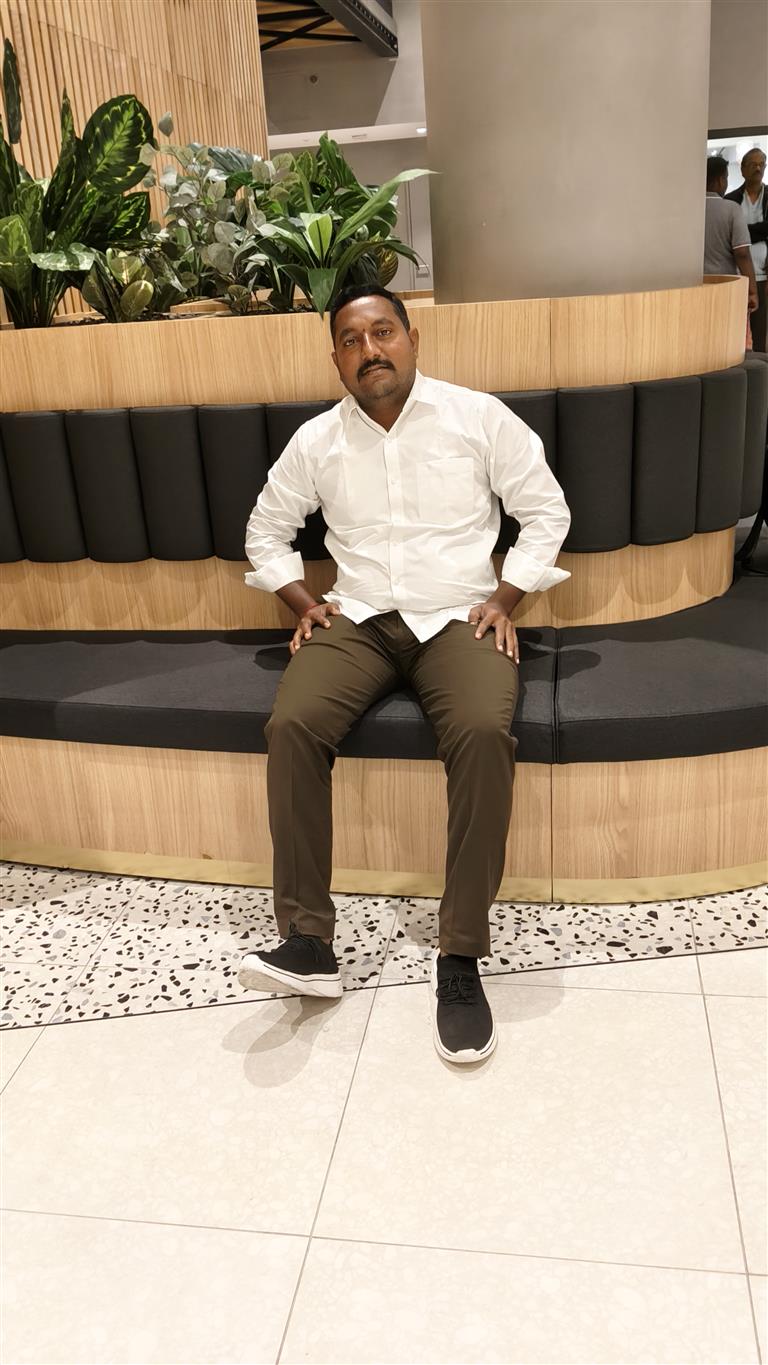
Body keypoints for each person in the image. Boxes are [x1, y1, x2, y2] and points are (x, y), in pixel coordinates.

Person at [239, 284, 571, 1065]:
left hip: (459, 617)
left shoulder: (477, 417)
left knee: (484, 732)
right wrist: (301, 600)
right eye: (352, 341)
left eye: (382, 332)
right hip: (356, 619)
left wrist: (507, 597)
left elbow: (545, 510)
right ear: (336, 358)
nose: (370, 351)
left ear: (412, 338)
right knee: (292, 725)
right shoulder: (317, 440)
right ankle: (307, 942)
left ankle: (460, 954)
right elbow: (265, 529)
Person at [704, 155, 758, 318]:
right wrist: (752, 291)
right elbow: (742, 253)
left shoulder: (689, 208)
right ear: (721, 180)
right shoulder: (732, 209)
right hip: (725, 287)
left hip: (694, 286)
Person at [725, 147, 767, 351]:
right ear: (742, 169)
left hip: (764, 277)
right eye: (753, 165)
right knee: (733, 332)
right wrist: (762, 231)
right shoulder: (731, 200)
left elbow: (739, 234)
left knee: (761, 334)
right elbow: (729, 235)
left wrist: (742, 232)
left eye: (761, 165)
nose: (758, 169)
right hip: (735, 276)